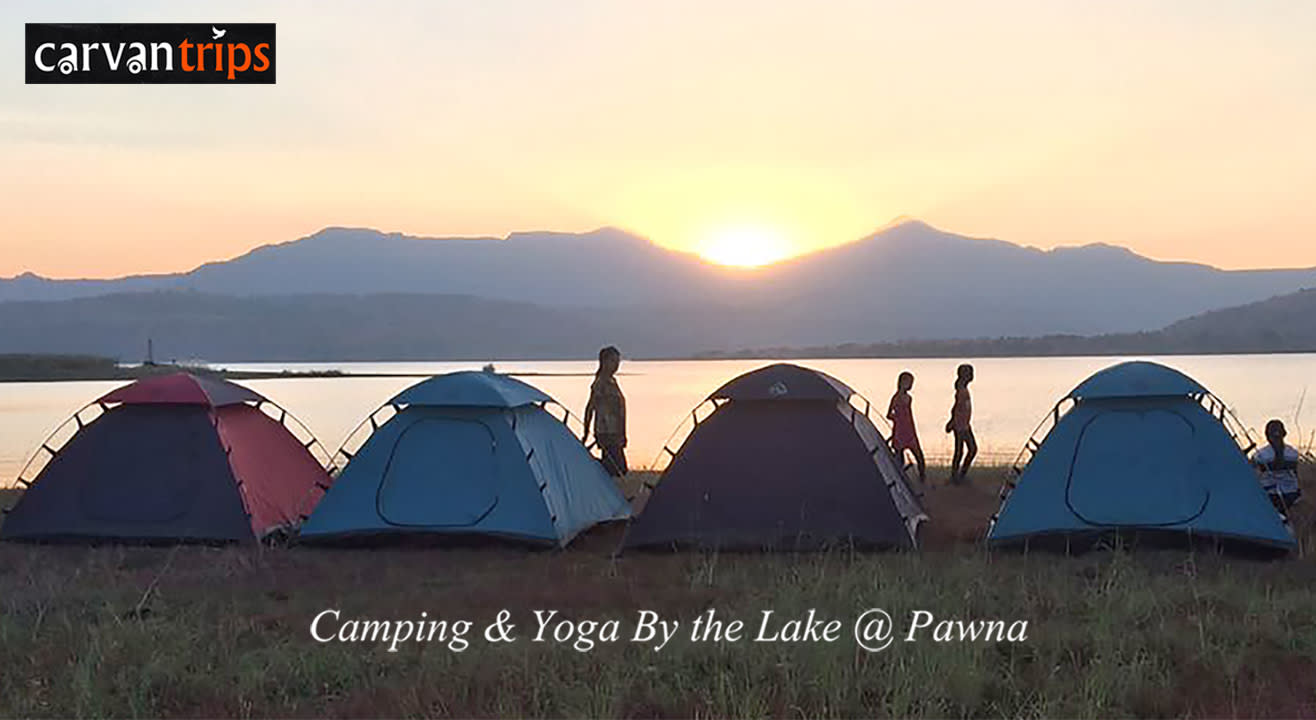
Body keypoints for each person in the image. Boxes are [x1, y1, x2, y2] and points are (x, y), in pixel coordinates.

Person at [583, 345, 628, 477]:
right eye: (613, 361)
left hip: (616, 431)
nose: (616, 365)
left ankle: (606, 490)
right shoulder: (600, 383)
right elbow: (590, 407)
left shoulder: (613, 381)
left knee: (616, 468)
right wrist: (586, 432)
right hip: (606, 431)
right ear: (604, 362)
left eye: (618, 362)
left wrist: (623, 433)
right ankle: (587, 466)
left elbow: (620, 411)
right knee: (617, 467)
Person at [1251, 419, 1302, 514]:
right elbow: (1295, 474)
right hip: (1289, 493)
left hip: (1271, 495)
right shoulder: (1293, 453)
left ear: (1267, 436)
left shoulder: (1259, 455)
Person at [887, 371, 926, 485]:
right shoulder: (896, 398)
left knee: (919, 456)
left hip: (910, 430)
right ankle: (901, 480)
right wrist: (897, 419)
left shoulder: (909, 398)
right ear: (902, 383)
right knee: (900, 459)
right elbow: (889, 414)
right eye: (909, 382)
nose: (910, 385)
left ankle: (922, 478)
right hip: (900, 431)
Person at [945, 363, 977, 485]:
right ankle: (957, 477)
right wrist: (952, 422)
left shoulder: (963, 389)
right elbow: (956, 408)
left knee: (968, 450)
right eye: (970, 373)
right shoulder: (961, 391)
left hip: (965, 424)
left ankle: (959, 476)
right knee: (965, 450)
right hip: (960, 426)